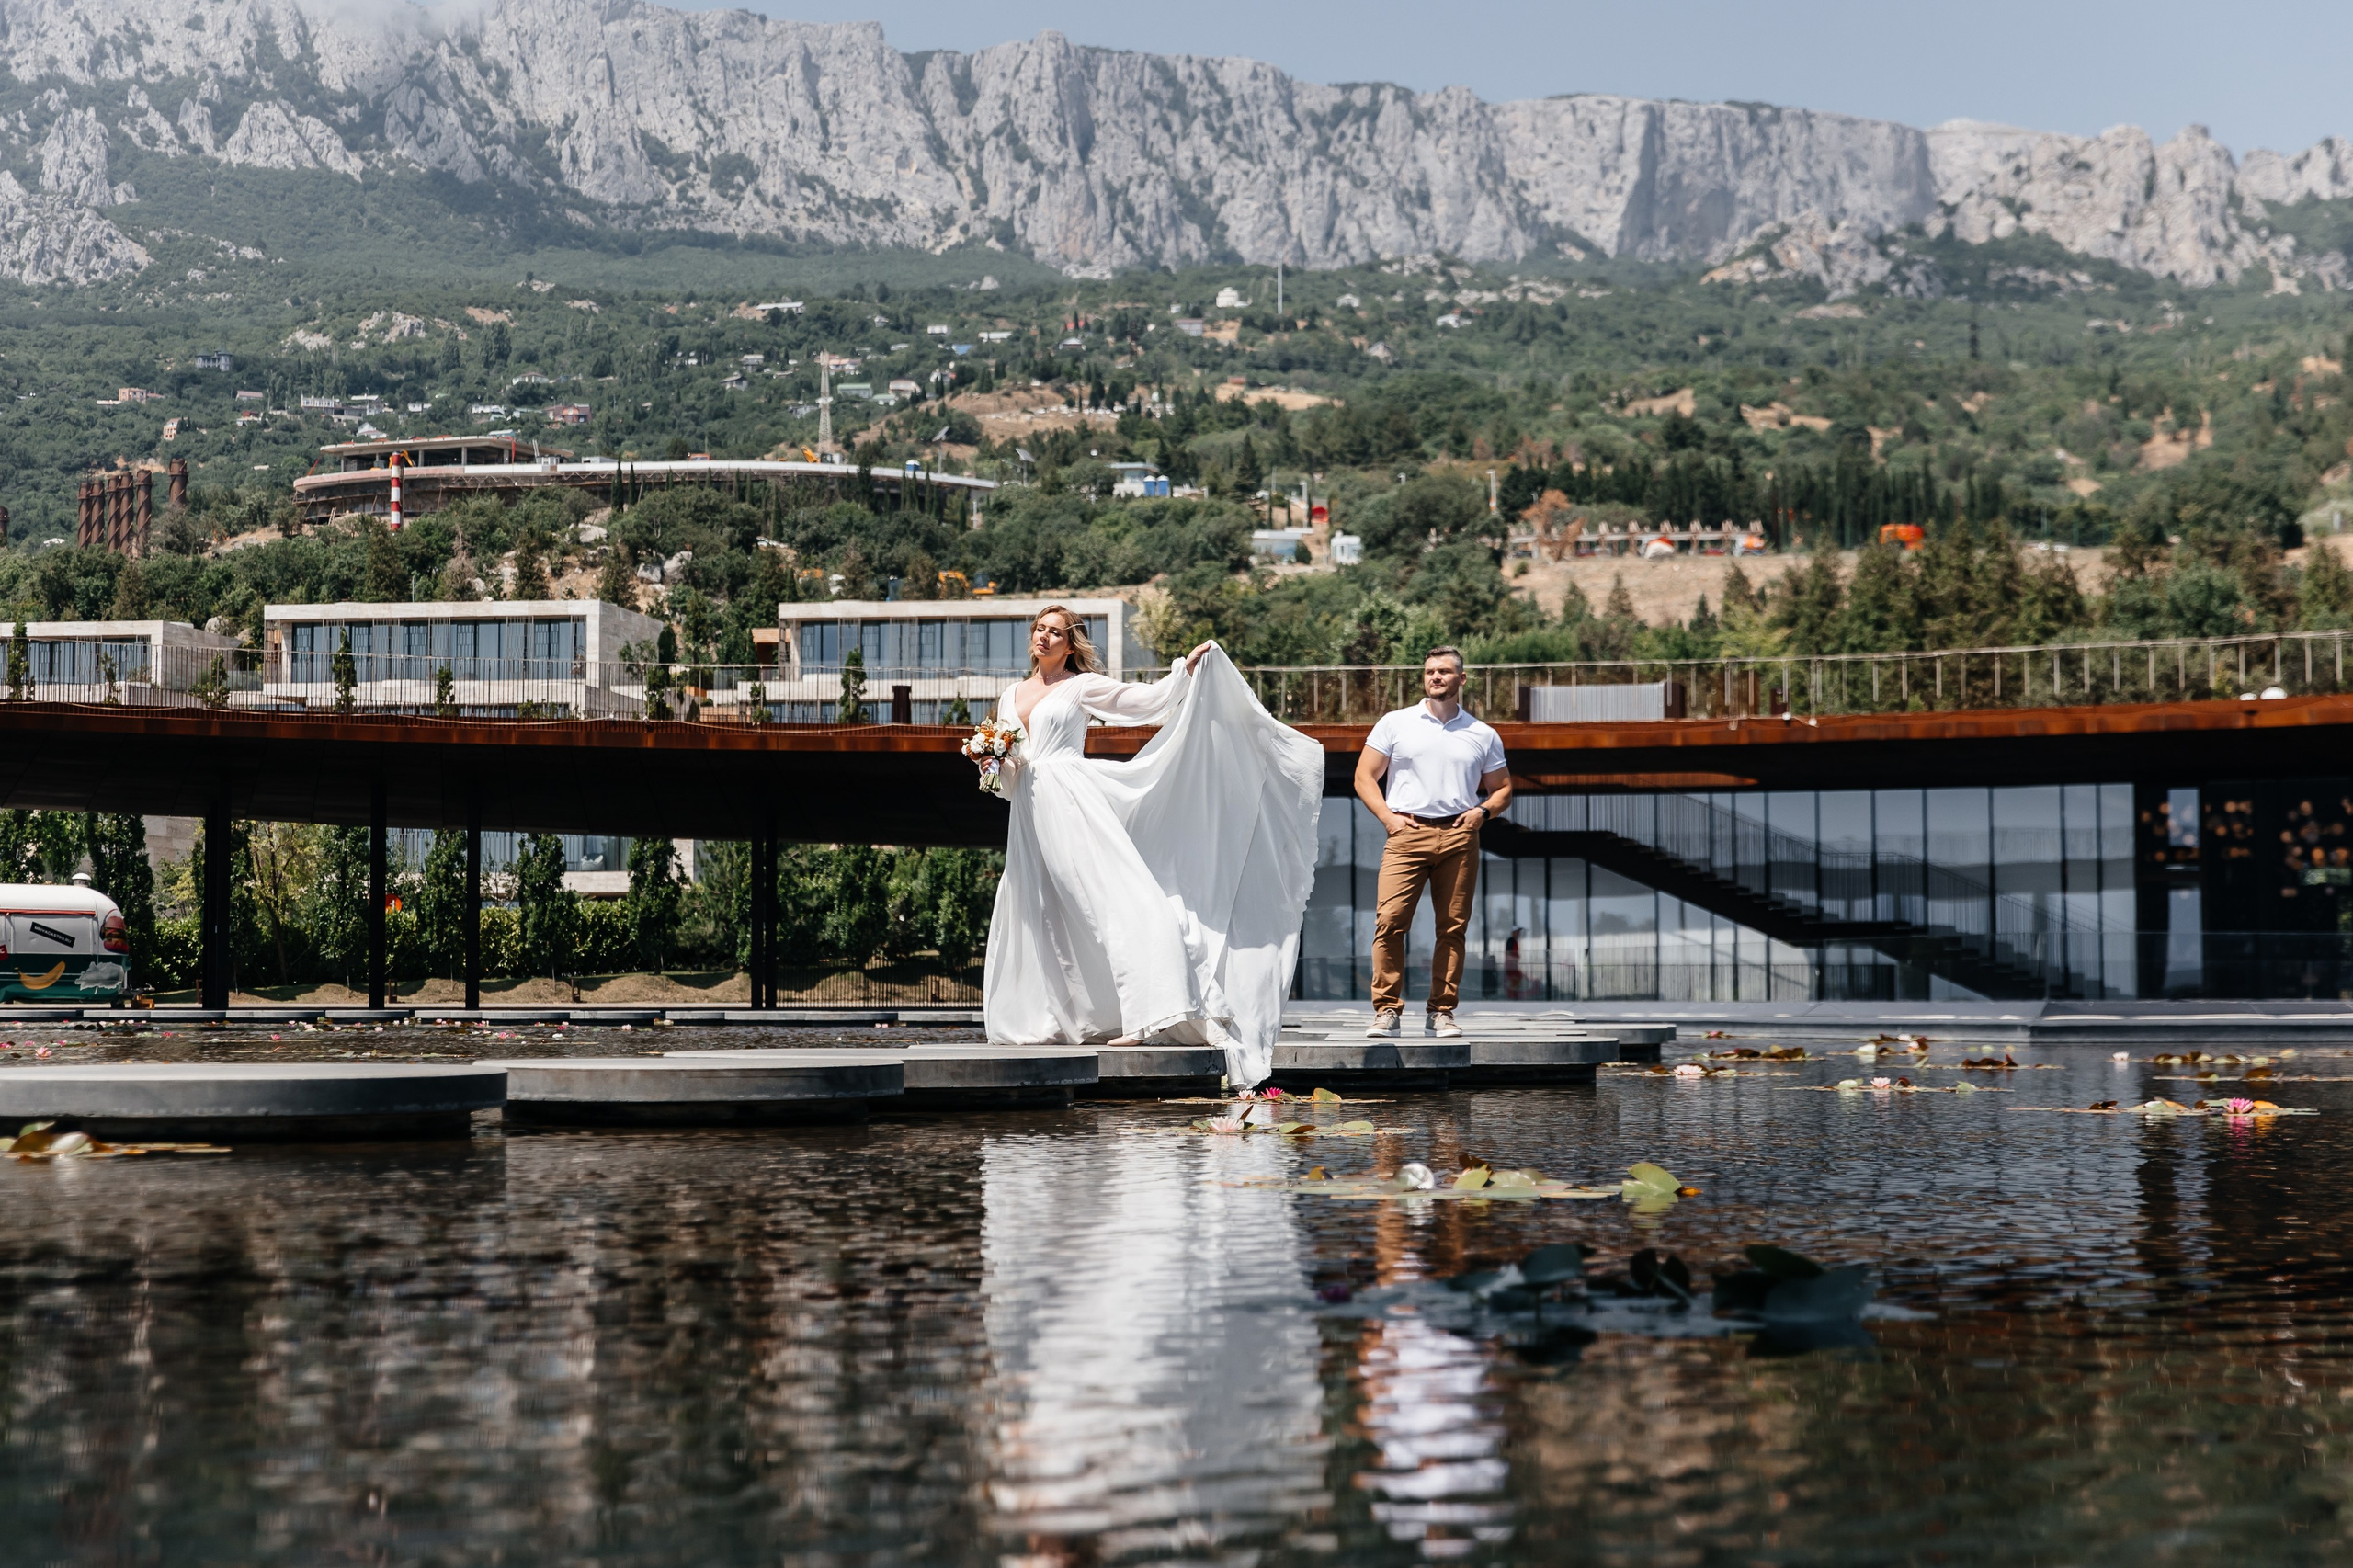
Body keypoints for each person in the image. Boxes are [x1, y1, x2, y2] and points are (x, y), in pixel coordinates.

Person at [975, 606, 1324, 1087]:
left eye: (1056, 632)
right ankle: (1048, 1019)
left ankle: (1147, 1015)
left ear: (1071, 643)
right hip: (1029, 814)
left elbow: (1145, 703)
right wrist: (991, 762)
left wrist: (1183, 671)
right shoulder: (1011, 694)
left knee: (1109, 902)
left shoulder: (1082, 686)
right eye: (1040, 629)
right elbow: (1012, 773)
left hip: (1073, 802)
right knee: (1040, 909)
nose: (1045, 637)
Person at [1352, 647, 1512, 1039]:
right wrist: (1389, 819)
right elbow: (1363, 777)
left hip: (1460, 836)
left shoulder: (1482, 733)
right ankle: (1386, 1010)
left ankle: (1442, 1013)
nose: (1435, 677)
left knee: (1452, 928)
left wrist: (1483, 812)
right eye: (1429, 672)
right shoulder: (1396, 723)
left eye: (1444, 671)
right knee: (1389, 922)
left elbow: (1503, 789)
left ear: (1462, 679)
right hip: (1406, 835)